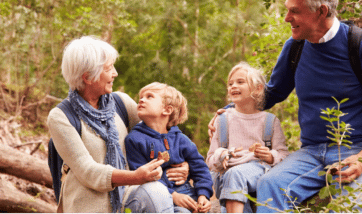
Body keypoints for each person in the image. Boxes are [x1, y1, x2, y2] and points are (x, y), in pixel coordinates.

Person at [210, 0, 362, 212]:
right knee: (270, 184)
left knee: (348, 207)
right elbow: (272, 93)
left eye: (294, 11)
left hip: (357, 147)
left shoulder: (361, 45)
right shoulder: (295, 47)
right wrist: (229, 111)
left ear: (321, 11)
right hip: (311, 152)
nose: (286, 18)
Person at [47, 36, 189, 213]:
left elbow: (161, 131)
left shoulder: (120, 102)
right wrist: (135, 177)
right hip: (90, 206)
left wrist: (185, 162)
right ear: (88, 77)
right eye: (108, 69)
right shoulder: (61, 116)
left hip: (127, 197)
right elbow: (88, 171)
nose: (115, 73)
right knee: (158, 193)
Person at [206, 62, 289, 213]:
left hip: (259, 170)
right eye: (230, 83)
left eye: (240, 82)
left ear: (257, 88)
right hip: (226, 179)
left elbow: (283, 155)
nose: (233, 86)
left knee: (235, 174)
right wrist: (221, 155)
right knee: (232, 177)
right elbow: (211, 160)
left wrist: (270, 156)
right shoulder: (222, 120)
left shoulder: (269, 121)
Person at [125, 82, 214, 213]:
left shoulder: (181, 139)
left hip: (188, 193)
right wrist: (173, 195)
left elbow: (200, 168)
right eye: (141, 97)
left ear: (167, 110)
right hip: (157, 198)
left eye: (149, 96)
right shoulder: (134, 139)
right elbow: (141, 176)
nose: (141, 100)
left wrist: (203, 195)